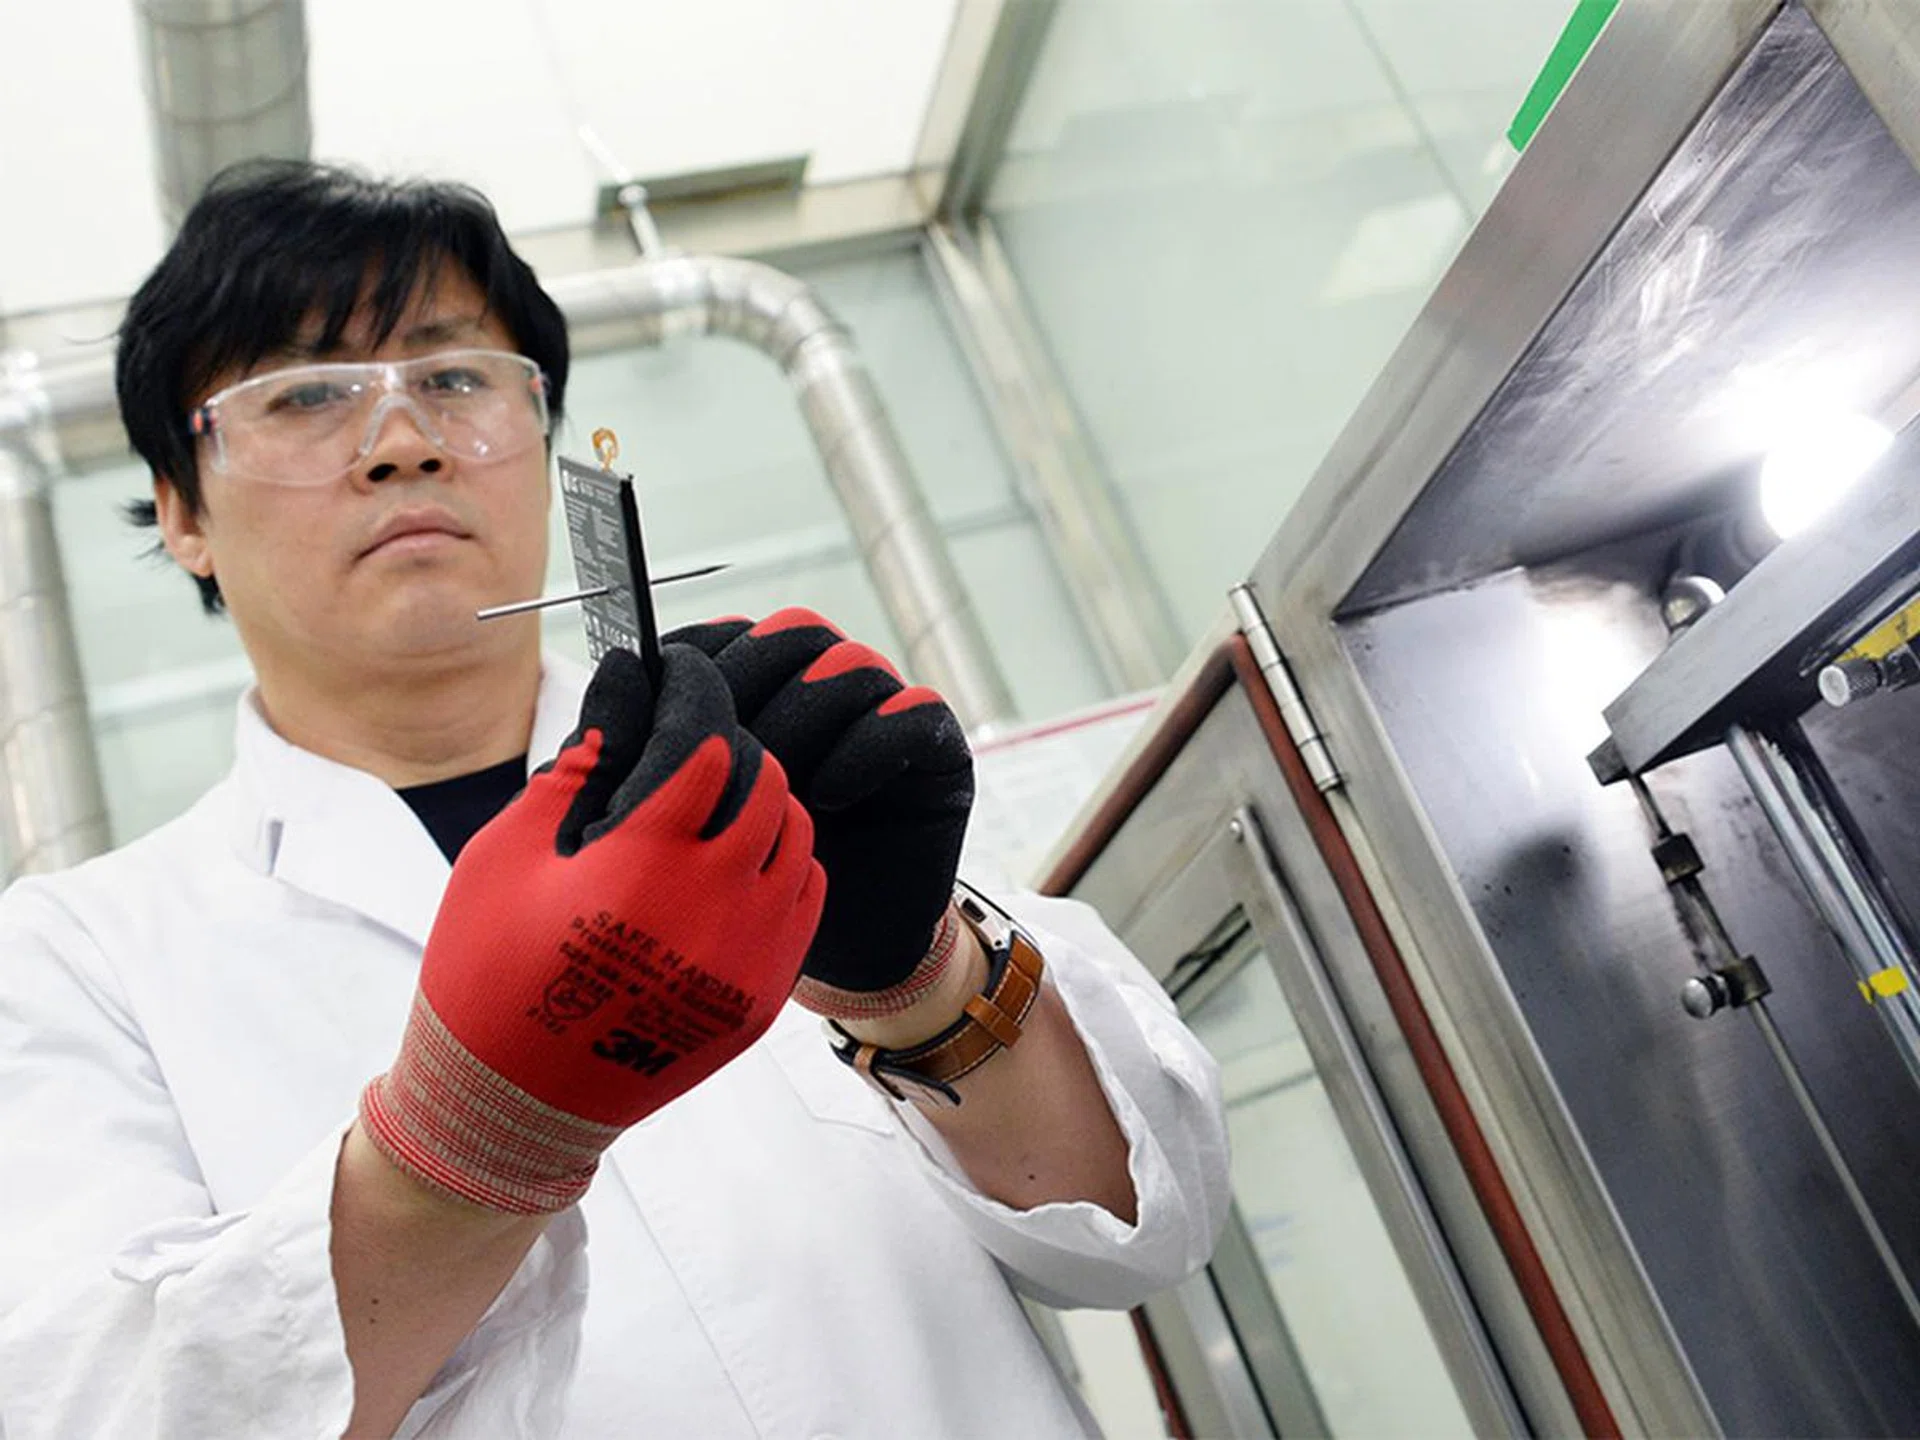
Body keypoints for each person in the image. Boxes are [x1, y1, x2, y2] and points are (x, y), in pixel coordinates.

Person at [0, 161, 1228, 1439]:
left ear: (542, 443)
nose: (405, 440)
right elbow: (91, 1407)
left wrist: (913, 980)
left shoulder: (777, 776)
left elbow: (1143, 1233)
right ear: (180, 511)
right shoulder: (69, 960)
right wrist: (469, 1141)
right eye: (306, 393)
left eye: (457, 376)